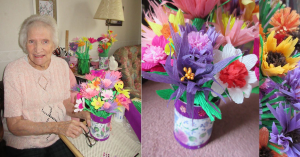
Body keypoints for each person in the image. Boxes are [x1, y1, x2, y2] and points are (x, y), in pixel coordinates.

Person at [2, 15, 90, 157]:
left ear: (54, 45)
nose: (38, 49)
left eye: (45, 41)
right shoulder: (13, 71)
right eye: (32, 41)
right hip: (25, 142)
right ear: (25, 44)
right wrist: (57, 126)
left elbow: (65, 103)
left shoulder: (61, 66)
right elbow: (14, 125)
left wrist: (83, 113)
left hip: (59, 137)